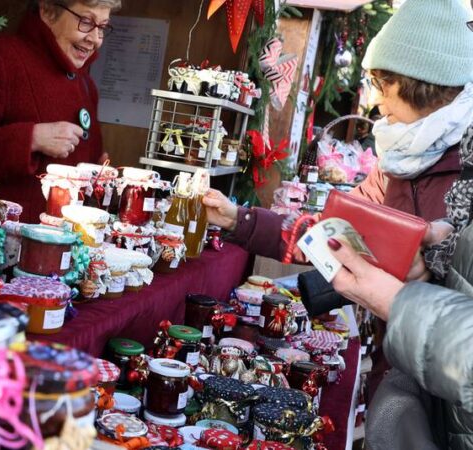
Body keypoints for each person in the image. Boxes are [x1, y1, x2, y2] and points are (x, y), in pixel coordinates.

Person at [201, 0, 473, 400]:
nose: (376, 102)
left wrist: (428, 271)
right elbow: (333, 236)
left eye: (383, 85)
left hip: (453, 391)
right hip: (401, 375)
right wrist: (237, 219)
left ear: (420, 82)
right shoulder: (397, 159)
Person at [327, 121, 473, 449]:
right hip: (437, 411)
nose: (378, 98)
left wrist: (401, 304)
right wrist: (444, 249)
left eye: (385, 84)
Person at [0, 0, 120, 222]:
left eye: (102, 27)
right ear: (48, 11)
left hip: (63, 248)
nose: (95, 39)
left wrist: (99, 176)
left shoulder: (87, 85)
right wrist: (31, 139)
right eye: (86, 21)